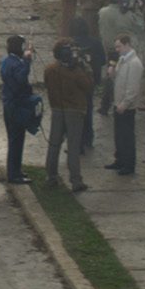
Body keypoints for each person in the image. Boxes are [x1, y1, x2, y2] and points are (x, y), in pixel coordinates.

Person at [43, 40, 93, 192]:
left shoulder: (49, 70)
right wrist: (85, 67)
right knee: (73, 146)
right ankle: (76, 180)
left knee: (54, 144)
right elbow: (89, 86)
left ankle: (51, 176)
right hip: (75, 111)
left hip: (57, 109)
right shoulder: (77, 72)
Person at [0, 35, 34, 185]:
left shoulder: (7, 62)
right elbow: (21, 80)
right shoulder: (17, 64)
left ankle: (16, 169)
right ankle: (14, 174)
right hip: (16, 105)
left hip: (9, 104)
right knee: (16, 140)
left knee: (15, 139)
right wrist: (27, 61)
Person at [107, 34, 142, 175]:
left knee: (127, 137)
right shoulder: (122, 60)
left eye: (119, 46)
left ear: (127, 44)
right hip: (118, 103)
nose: (117, 50)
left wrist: (124, 104)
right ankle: (119, 160)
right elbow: (118, 80)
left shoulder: (134, 64)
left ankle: (129, 164)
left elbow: (132, 89)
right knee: (119, 136)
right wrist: (112, 72)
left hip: (126, 107)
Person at [69, 17, 105, 153]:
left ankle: (77, 141)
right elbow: (102, 60)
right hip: (91, 80)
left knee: (75, 112)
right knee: (88, 108)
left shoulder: (71, 44)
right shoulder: (95, 42)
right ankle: (88, 138)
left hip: (74, 83)